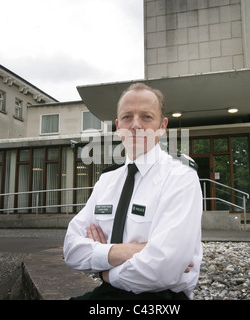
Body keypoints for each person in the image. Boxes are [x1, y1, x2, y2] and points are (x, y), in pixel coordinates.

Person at [63, 83, 203, 300]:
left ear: (162, 125)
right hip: (108, 292)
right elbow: (72, 249)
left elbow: (163, 268)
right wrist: (129, 251)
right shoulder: (107, 180)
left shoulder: (180, 177)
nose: (136, 125)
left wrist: (104, 269)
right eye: (127, 117)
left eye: (146, 117)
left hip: (161, 298)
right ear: (118, 127)